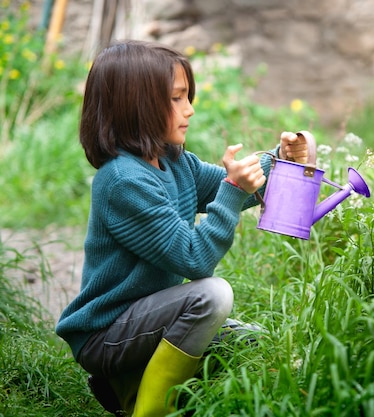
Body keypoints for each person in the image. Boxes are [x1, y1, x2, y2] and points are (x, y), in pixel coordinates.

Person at [55, 40, 310, 417]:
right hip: (106, 335)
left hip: (148, 320)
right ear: (135, 105)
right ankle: (145, 407)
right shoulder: (124, 181)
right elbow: (195, 259)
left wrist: (280, 157)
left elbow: (228, 184)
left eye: (187, 96)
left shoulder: (174, 163)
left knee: (254, 342)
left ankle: (143, 387)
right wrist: (234, 189)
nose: (189, 109)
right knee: (212, 296)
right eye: (177, 99)